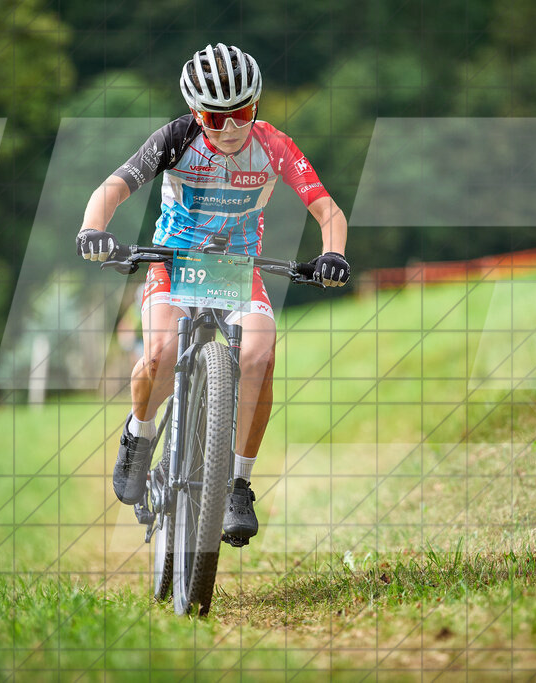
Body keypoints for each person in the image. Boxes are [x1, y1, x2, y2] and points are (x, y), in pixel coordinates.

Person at [75, 44, 350, 545]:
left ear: (257, 107)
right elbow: (112, 188)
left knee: (260, 355)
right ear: (196, 113)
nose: (227, 129)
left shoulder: (273, 145)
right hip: (175, 264)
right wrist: (94, 228)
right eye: (213, 117)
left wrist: (332, 253)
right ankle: (139, 435)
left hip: (239, 270)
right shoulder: (178, 139)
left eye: (239, 114)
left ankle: (238, 484)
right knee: (158, 352)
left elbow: (328, 209)